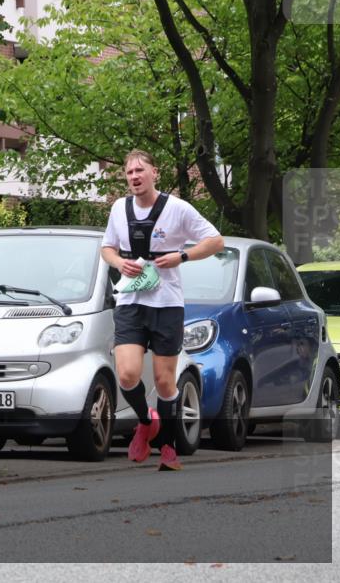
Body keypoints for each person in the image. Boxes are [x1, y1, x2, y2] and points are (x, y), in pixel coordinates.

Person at [101, 150, 224, 471]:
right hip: (130, 302)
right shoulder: (119, 208)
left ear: (154, 172)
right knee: (127, 374)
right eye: (129, 172)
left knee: (165, 382)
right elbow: (107, 248)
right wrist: (118, 262)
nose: (134, 176)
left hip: (167, 304)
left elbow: (215, 241)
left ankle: (168, 448)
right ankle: (146, 422)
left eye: (139, 170)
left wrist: (182, 257)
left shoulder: (177, 208)